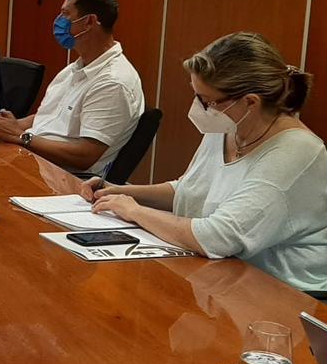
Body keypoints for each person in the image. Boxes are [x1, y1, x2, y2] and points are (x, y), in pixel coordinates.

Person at [83, 32, 326, 292]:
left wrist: (134, 211)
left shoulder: (296, 153)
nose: (199, 108)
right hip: (222, 275)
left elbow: (218, 237)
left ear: (250, 102)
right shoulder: (229, 125)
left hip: (284, 295)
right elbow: (190, 190)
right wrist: (117, 192)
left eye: (206, 101)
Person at [0, 0, 144, 176]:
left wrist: (21, 136)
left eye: (65, 14)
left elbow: (85, 155)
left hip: (63, 179)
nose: (58, 21)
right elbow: (51, 116)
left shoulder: (113, 82)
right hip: (33, 160)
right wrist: (11, 125)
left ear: (89, 21)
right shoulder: (74, 69)